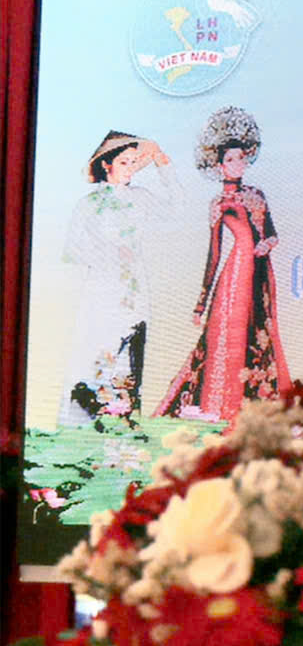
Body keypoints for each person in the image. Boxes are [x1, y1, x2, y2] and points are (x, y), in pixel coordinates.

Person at [154, 106, 291, 421]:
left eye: (241, 158)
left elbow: (271, 232)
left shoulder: (257, 194)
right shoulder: (219, 203)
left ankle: (258, 403)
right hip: (236, 274)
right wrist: (201, 303)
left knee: (260, 332)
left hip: (261, 271)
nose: (237, 164)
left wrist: (267, 244)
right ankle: (221, 403)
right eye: (230, 159)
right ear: (219, 165)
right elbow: (214, 253)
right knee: (230, 333)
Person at [59, 131, 175, 429]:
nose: (130, 168)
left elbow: (175, 208)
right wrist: (108, 254)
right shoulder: (89, 204)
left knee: (133, 344)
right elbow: (72, 249)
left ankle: (126, 416)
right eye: (124, 162)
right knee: (100, 345)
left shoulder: (140, 198)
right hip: (102, 286)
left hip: (135, 285)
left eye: (134, 162)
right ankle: (92, 417)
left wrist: (163, 166)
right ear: (106, 164)